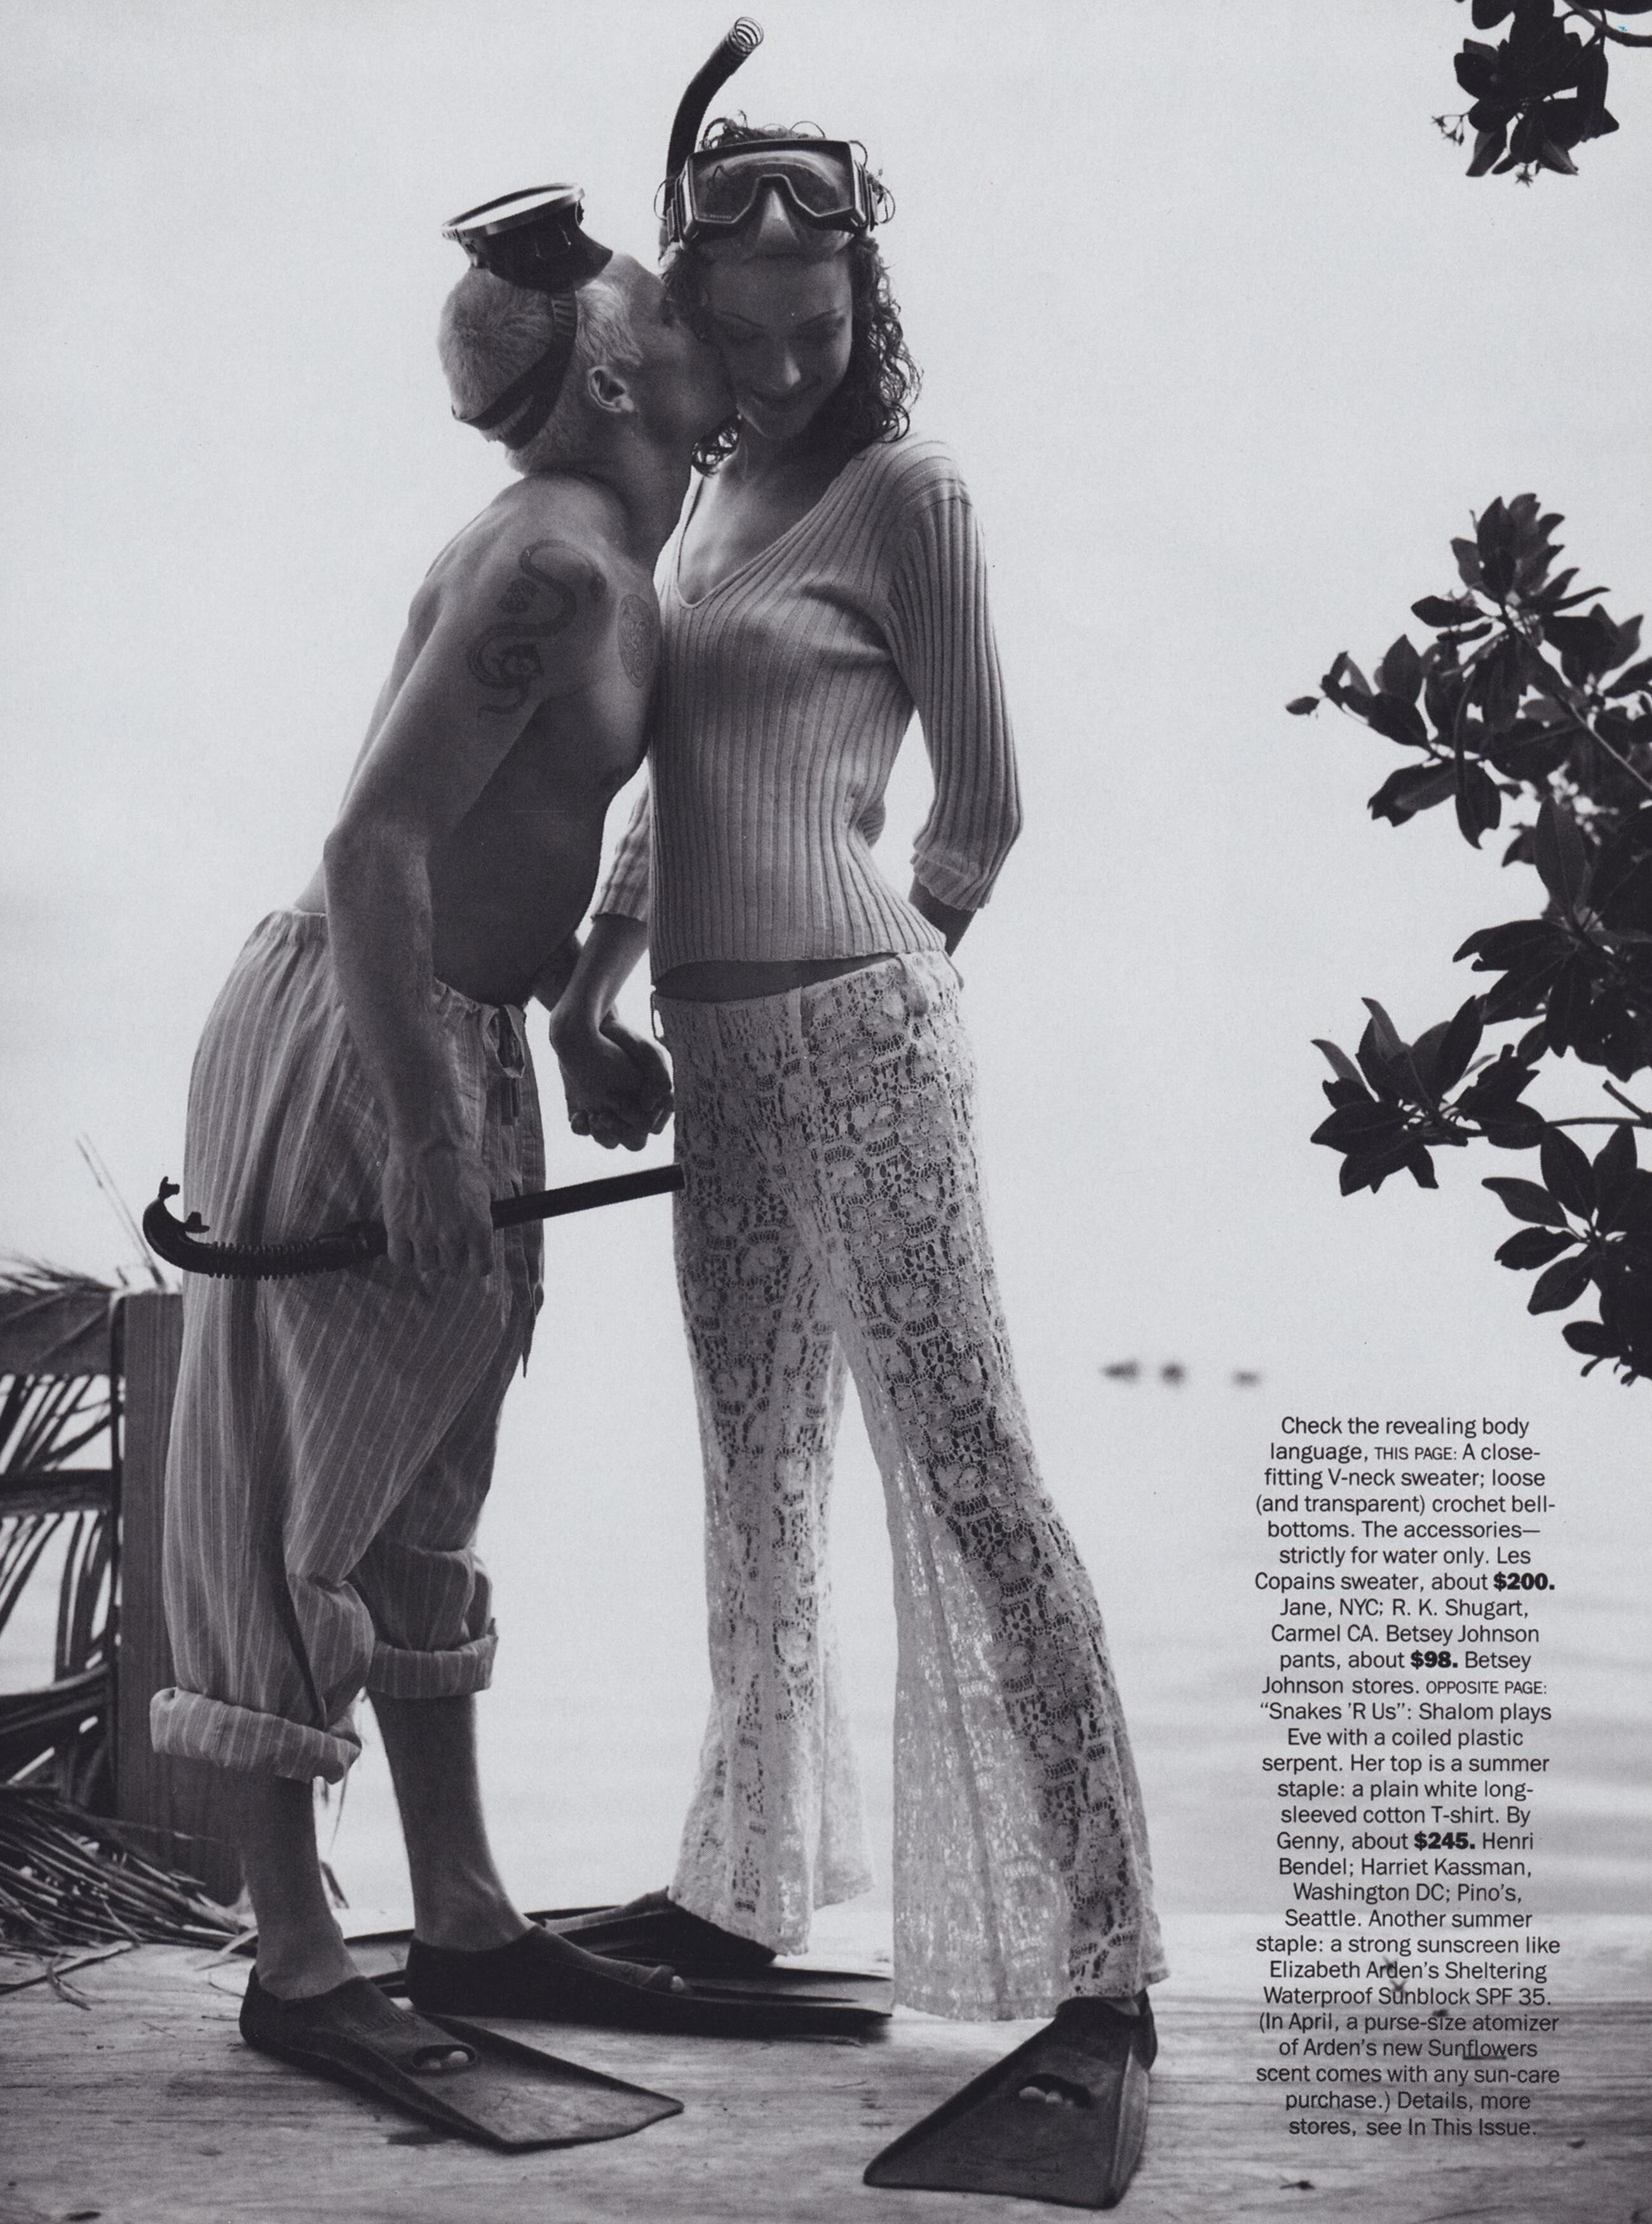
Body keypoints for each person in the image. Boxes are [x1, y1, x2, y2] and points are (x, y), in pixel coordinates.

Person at [550, 121, 1165, 2196]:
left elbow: (983, 804)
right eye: (753, 334)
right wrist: (594, 988)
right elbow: (675, 783)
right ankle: (738, 1891)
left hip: (861, 1041)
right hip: (713, 1054)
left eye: (821, 324)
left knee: (968, 1469)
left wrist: (883, 994)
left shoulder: (914, 489)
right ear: (695, 326)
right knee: (757, 1474)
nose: (792, 362)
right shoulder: (708, 498)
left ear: (861, 300)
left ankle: (1108, 1968)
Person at [149, 198, 733, 2103]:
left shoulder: (609, 557)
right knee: (295, 1502)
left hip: (452, 1031)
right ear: (617, 376)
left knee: (424, 1485)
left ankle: (466, 1913)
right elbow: (374, 845)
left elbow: (513, 832)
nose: (701, 316)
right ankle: (298, 1962)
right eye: (669, 306)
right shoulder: (549, 564)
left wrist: (571, 1014)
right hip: (358, 1035)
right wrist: (414, 1139)